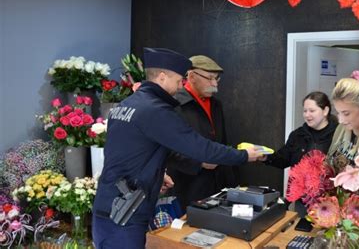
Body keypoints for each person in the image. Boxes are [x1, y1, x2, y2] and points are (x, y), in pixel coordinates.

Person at [92, 48, 263, 249]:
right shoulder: (156, 110)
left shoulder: (124, 105)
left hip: (106, 207)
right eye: (179, 80)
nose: (182, 85)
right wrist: (244, 155)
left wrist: (156, 173)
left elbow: (126, 151)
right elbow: (201, 148)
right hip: (126, 214)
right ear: (163, 77)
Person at [167, 55, 237, 213]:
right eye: (210, 78)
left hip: (218, 184)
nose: (214, 84)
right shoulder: (174, 105)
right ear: (191, 77)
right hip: (187, 186)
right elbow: (167, 149)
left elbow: (222, 142)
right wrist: (199, 163)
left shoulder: (216, 105)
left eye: (217, 79)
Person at [262, 91, 338, 217]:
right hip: (302, 201)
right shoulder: (298, 135)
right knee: (302, 233)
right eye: (305, 111)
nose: (307, 115)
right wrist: (264, 157)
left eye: (312, 111)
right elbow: (283, 159)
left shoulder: (337, 135)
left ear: (325, 111)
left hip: (329, 201)